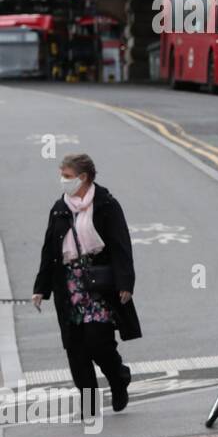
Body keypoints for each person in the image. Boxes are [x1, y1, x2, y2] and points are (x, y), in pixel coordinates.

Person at [31, 153, 139, 415]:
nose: (62, 180)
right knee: (76, 348)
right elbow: (50, 249)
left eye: (67, 176)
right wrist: (40, 288)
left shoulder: (106, 204)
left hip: (98, 284)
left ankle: (118, 377)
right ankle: (90, 403)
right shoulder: (59, 208)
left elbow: (120, 246)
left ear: (84, 177)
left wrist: (125, 282)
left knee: (98, 341)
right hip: (68, 286)